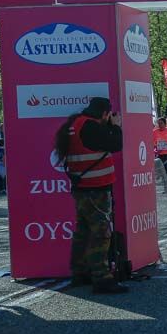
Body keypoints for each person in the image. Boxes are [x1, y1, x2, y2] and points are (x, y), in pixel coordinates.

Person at [54, 97, 128, 295]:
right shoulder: (91, 127)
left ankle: (80, 272)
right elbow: (115, 144)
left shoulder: (73, 124)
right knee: (101, 233)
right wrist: (117, 127)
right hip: (95, 187)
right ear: (104, 114)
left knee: (83, 231)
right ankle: (101, 278)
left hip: (82, 187)